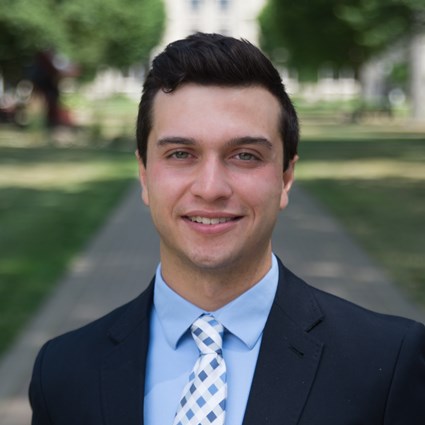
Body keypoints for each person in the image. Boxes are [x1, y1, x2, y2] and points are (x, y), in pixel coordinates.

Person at [29, 33, 425, 425]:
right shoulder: (62, 373)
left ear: (286, 178)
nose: (211, 188)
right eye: (181, 154)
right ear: (144, 175)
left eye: (245, 156)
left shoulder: (389, 362)